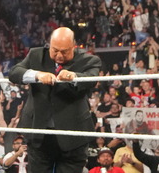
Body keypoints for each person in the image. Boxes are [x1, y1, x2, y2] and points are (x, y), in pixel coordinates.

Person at [9, 27, 101, 173]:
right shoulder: (36, 55)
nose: (59, 55)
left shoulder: (89, 60)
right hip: (39, 134)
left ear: (73, 47)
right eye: (55, 50)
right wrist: (37, 75)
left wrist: (73, 77)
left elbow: (91, 80)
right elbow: (14, 73)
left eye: (64, 51)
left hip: (73, 136)